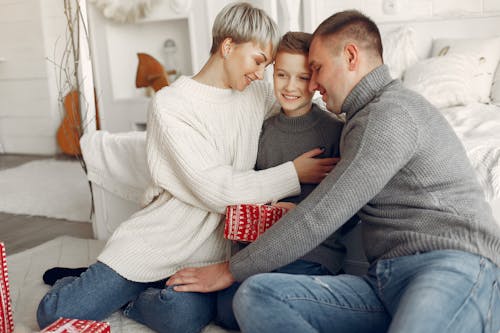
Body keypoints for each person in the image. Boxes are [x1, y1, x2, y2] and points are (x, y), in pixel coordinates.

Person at [167, 10, 500, 333]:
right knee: (257, 295)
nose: (312, 83)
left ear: (351, 57)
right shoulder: (356, 122)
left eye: (316, 68)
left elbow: (322, 214)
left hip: (451, 267)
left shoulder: (390, 114)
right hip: (384, 283)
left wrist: (230, 269)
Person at [36, 3, 337, 333]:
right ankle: (94, 281)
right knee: (55, 315)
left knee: (180, 318)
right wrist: (293, 174)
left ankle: (124, 296)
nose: (261, 73)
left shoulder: (254, 94)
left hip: (209, 256)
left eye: (267, 66)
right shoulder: (171, 104)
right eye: (258, 60)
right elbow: (218, 190)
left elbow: (298, 92)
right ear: (228, 46)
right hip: (158, 241)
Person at [214, 31, 357, 330]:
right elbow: (246, 186)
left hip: (313, 253)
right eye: (281, 75)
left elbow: (348, 209)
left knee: (265, 302)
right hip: (262, 250)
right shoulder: (262, 131)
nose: (290, 87)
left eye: (302, 78)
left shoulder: (334, 131)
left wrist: (296, 211)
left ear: (316, 81)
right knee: (227, 310)